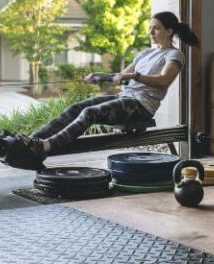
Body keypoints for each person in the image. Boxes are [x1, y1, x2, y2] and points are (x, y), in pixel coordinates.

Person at [22, 11, 199, 162]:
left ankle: (45, 146)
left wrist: (134, 76)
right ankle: (29, 141)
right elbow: (121, 76)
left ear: (169, 31)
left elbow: (163, 80)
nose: (151, 32)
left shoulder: (175, 55)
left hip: (142, 105)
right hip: (126, 98)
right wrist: (99, 76)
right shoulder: (146, 53)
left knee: (90, 114)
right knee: (76, 108)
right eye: (150, 27)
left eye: (157, 28)